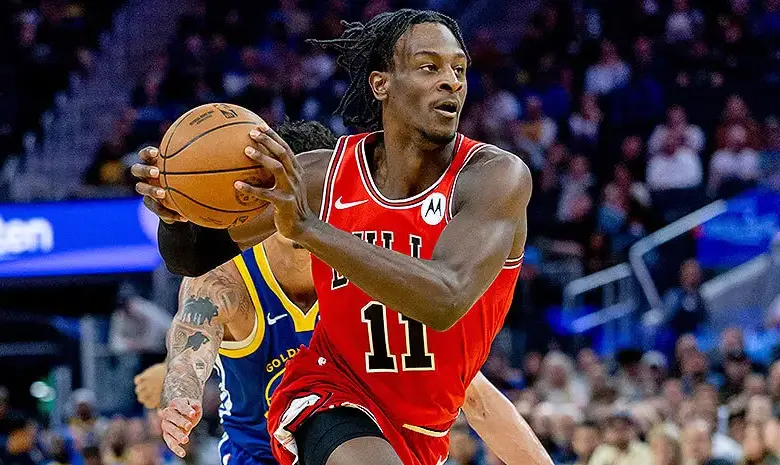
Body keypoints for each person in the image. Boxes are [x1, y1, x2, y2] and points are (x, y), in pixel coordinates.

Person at [133, 9, 546, 465]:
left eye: (459, 69)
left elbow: (446, 300)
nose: (451, 80)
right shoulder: (323, 177)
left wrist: (309, 229)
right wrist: (174, 210)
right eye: (429, 67)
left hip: (423, 430)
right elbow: (193, 257)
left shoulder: (494, 177)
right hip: (328, 397)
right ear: (381, 84)